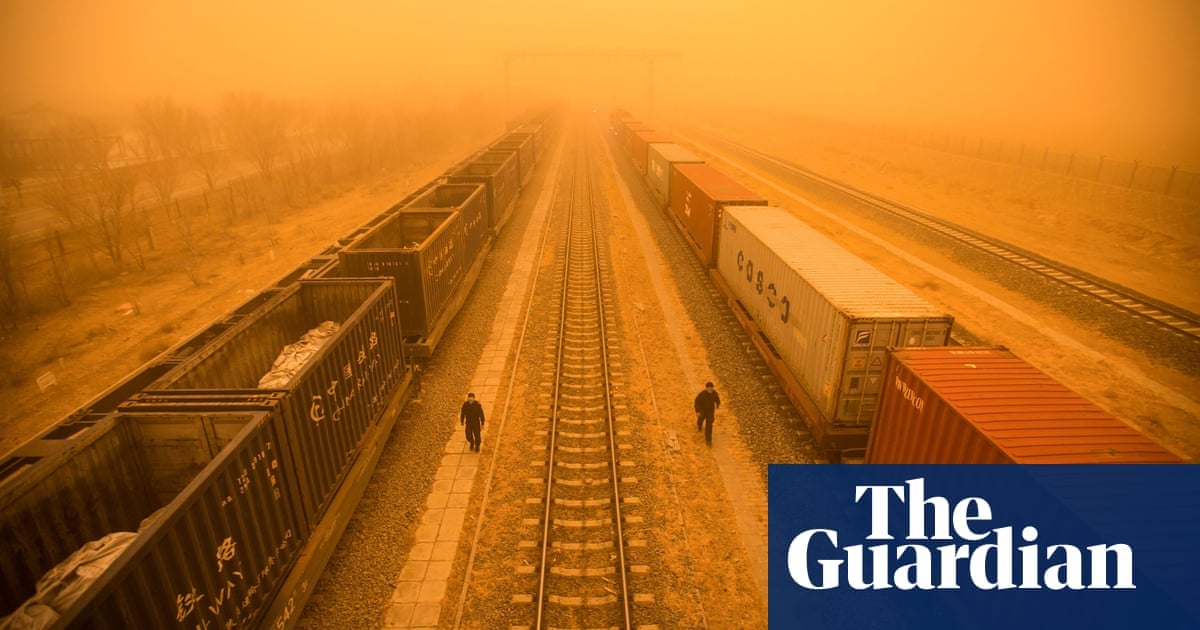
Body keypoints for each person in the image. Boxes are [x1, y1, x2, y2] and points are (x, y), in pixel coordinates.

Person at [694, 381, 720, 446]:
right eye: (709, 388)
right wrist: (698, 411)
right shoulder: (702, 394)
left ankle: (708, 440)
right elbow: (697, 402)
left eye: (712, 388)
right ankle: (699, 425)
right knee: (700, 420)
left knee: (709, 426)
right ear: (706, 388)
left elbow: (717, 399)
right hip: (703, 411)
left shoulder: (714, 393)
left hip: (710, 412)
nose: (711, 390)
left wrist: (717, 404)